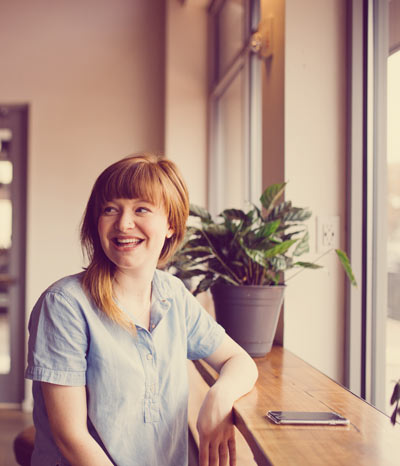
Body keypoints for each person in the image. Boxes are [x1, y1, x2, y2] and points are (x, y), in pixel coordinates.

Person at [25, 153, 258, 466]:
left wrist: (219, 397)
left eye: (141, 209)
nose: (123, 223)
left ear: (171, 224)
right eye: (110, 209)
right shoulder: (64, 304)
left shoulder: (173, 294)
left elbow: (239, 360)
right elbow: (71, 438)